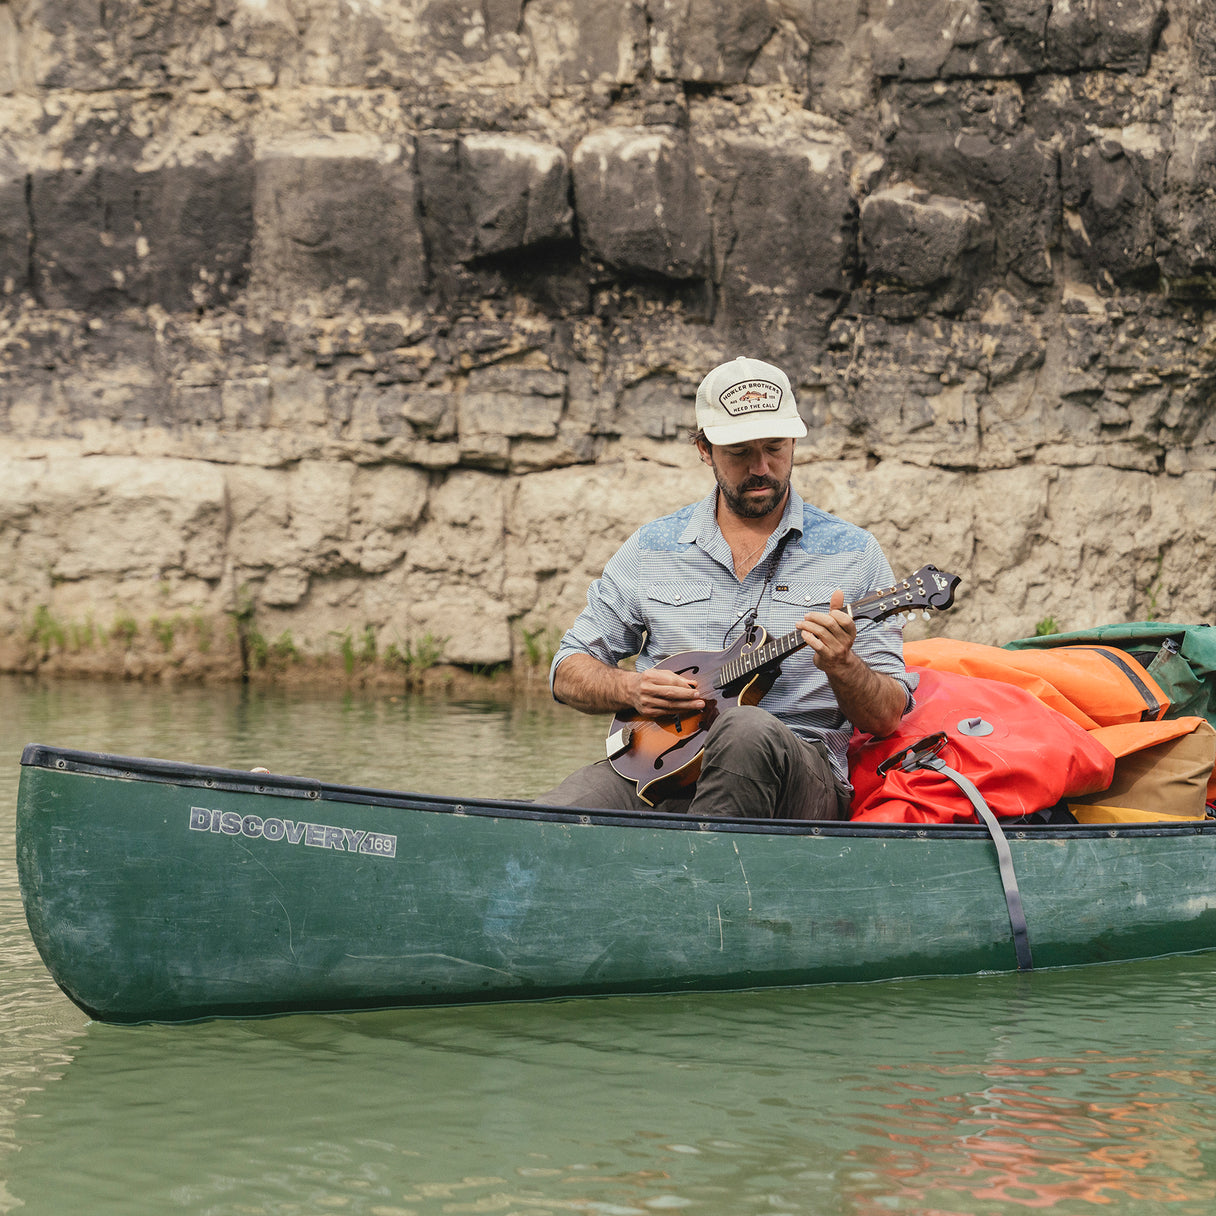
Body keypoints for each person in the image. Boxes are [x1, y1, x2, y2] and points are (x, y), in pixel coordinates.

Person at [535, 355, 918, 820]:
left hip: (798, 777)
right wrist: (632, 688)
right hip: (663, 766)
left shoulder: (854, 553)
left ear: (794, 441)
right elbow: (566, 668)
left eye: (775, 447)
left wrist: (843, 665)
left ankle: (701, 883)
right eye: (739, 452)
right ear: (703, 448)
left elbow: (886, 717)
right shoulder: (652, 547)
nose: (761, 467)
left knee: (744, 728)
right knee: (557, 813)